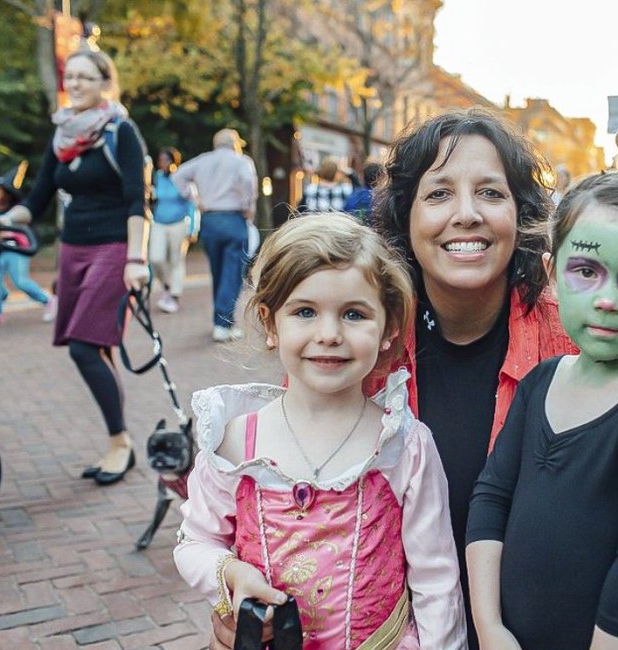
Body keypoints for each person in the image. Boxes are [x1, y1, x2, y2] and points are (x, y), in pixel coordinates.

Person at [208, 108, 618, 650]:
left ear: (522, 216)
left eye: (490, 193)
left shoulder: (582, 341)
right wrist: (239, 601)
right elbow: (279, 523)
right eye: (439, 194)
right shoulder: (354, 347)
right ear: (405, 218)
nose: (466, 214)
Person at [175, 212, 466, 649]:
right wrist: (232, 573)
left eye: (353, 314)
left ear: (388, 328)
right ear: (271, 323)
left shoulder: (403, 445)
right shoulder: (235, 440)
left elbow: (436, 578)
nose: (328, 334)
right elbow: (196, 541)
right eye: (305, 312)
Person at [465, 118, 618, 650]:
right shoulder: (542, 380)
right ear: (551, 272)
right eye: (586, 271)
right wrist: (490, 628)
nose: (607, 298)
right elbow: (491, 497)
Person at [0, 49, 149, 485]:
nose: (74, 83)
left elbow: (136, 200)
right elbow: (36, 201)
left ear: (104, 82)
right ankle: (119, 442)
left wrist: (136, 258)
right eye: (69, 76)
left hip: (113, 247)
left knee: (83, 346)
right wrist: (2, 220)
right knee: (96, 346)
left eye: (84, 77)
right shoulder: (62, 136)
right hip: (73, 249)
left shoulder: (120, 131)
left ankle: (119, 442)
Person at [172, 128, 257, 342]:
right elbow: (248, 182)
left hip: (209, 219)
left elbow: (178, 176)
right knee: (232, 271)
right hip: (233, 218)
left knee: (217, 272)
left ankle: (220, 320)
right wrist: (248, 204)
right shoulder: (241, 161)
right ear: (235, 143)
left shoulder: (202, 161)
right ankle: (223, 324)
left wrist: (193, 198)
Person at [0, 162, 55, 328]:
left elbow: (24, 232)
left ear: (6, 193)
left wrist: (6, 233)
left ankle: (49, 301)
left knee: (21, 281)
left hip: (15, 250)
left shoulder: (18, 211)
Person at [149, 147, 196, 314]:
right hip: (159, 223)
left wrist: (193, 229)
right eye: (160, 160)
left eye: (165, 160)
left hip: (178, 223)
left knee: (176, 260)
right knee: (155, 258)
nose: (162, 163)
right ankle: (167, 284)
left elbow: (192, 205)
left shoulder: (182, 178)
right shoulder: (158, 177)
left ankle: (174, 295)